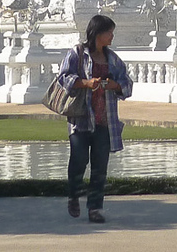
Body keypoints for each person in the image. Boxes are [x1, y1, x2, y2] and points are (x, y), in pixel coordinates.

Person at [57, 13, 133, 224]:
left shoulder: (113, 60)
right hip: (81, 118)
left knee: (100, 167)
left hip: (104, 120)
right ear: (97, 33)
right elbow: (63, 77)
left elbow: (127, 84)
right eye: (109, 32)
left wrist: (115, 85)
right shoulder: (78, 53)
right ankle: (73, 194)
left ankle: (95, 209)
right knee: (79, 161)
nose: (111, 36)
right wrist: (85, 83)